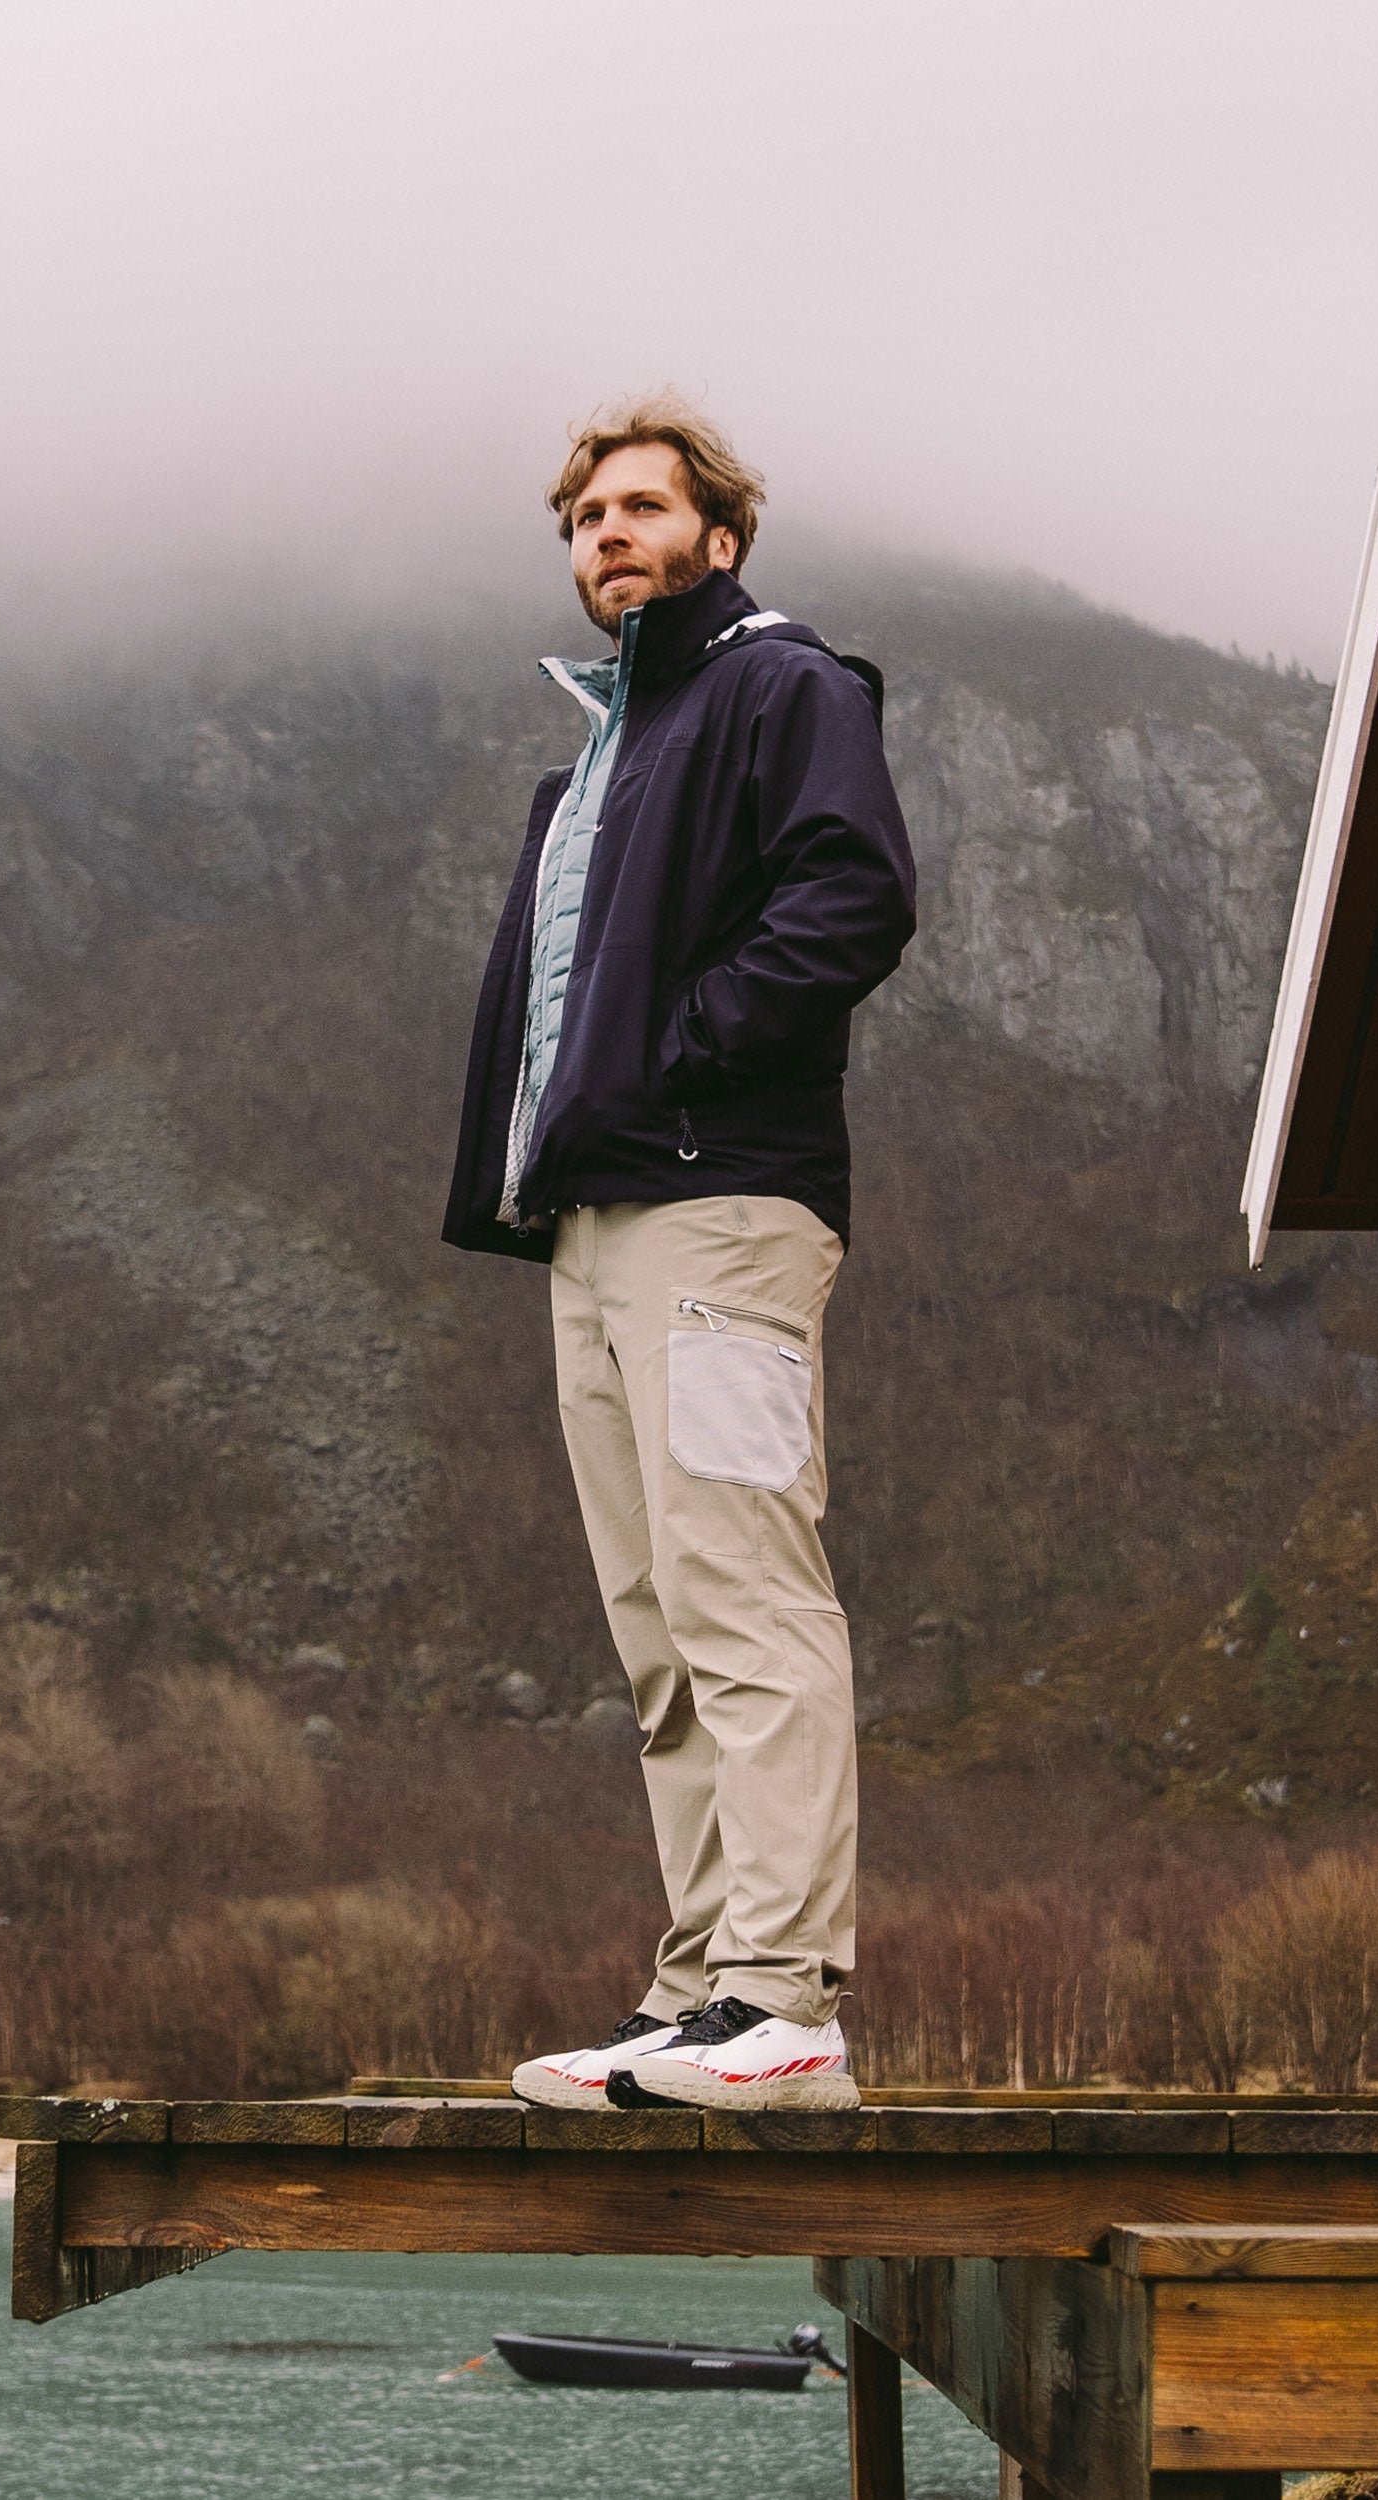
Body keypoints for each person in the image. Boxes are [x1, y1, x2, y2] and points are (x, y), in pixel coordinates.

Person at [442, 397, 915, 2111]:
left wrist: (683, 1054)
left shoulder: (781, 686)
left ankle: (785, 2001)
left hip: (721, 1200)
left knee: (743, 1592)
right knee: (660, 1631)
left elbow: (853, 896)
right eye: (586, 520)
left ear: (720, 536)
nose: (609, 536)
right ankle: (705, 1993)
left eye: (642, 508)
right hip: (598, 1224)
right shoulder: (600, 759)